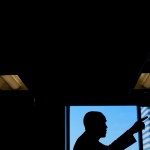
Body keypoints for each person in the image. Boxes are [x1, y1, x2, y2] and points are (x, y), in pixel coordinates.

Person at [73, 111, 148, 150]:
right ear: (93, 125)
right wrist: (132, 130)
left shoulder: (85, 141)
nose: (106, 126)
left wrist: (132, 130)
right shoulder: (86, 143)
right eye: (102, 123)